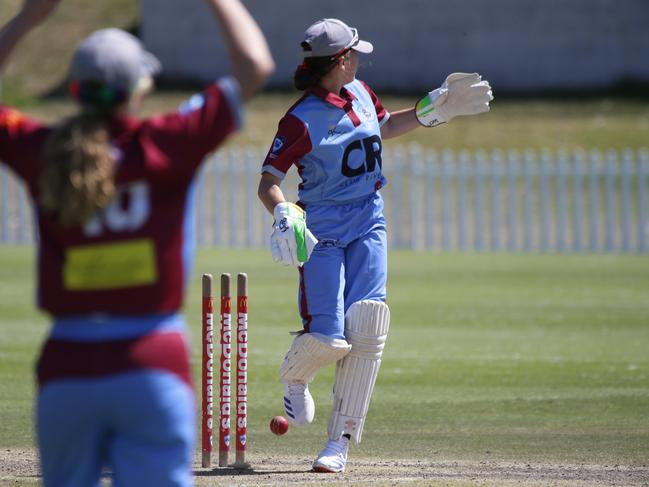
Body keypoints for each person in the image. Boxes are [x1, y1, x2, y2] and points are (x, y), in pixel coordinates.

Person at [0, 0, 273, 485]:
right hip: (152, 360)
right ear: (140, 89)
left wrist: (28, 18)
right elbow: (255, 67)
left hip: (67, 364)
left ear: (76, 89)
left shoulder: (44, 150)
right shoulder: (164, 142)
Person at [258, 18, 492, 473]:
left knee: (368, 325)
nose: (360, 60)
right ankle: (295, 375)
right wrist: (284, 211)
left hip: (369, 220)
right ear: (340, 60)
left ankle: (338, 444)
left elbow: (383, 127)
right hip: (321, 230)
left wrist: (434, 110)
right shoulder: (299, 119)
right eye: (355, 54)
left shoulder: (361, 92)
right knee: (329, 336)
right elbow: (269, 179)